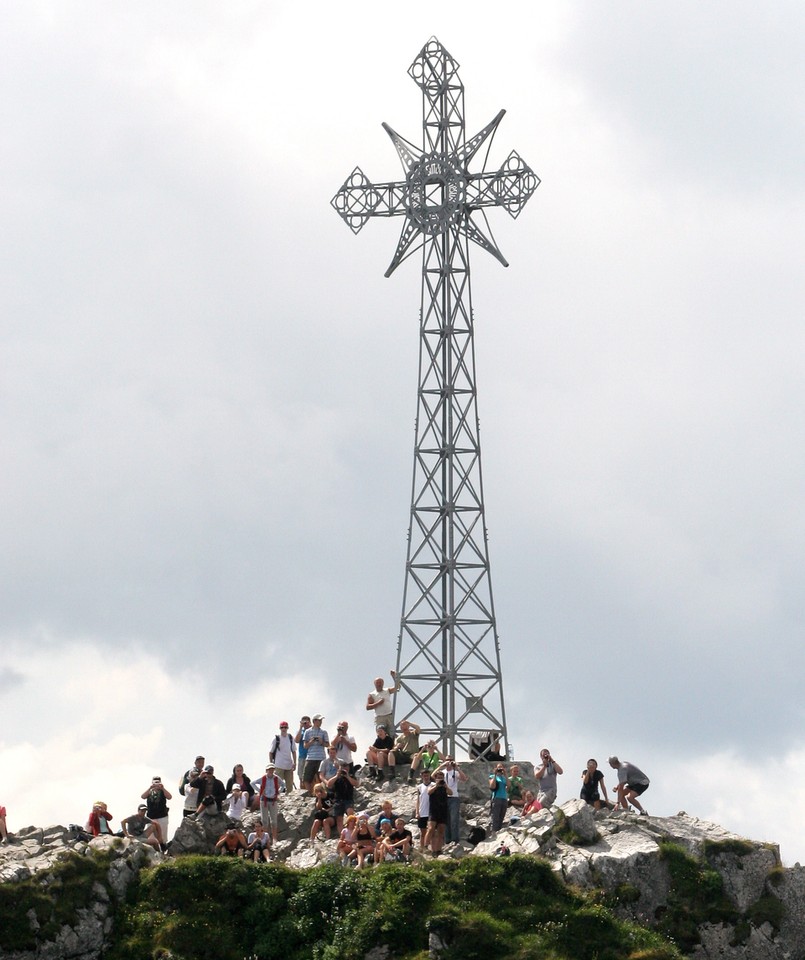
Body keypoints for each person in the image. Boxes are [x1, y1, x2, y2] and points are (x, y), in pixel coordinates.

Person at [439, 756, 468, 843]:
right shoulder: (442, 773)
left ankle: (455, 839)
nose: (449, 762)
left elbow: (464, 779)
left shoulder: (455, 772)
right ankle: (447, 839)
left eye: (451, 760)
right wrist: (441, 766)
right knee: (446, 819)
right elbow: (433, 776)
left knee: (454, 819)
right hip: (444, 798)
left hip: (454, 797)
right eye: (447, 760)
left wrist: (457, 768)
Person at [325, 761, 358, 834]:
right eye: (343, 767)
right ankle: (342, 836)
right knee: (339, 820)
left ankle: (352, 832)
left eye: (346, 767)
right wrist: (337, 775)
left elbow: (356, 784)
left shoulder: (351, 776)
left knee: (351, 814)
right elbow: (328, 785)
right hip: (338, 800)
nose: (345, 769)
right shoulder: (337, 777)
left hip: (348, 799)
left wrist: (347, 776)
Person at [252, 763, 282, 842]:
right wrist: (260, 791)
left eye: (272, 769)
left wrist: (278, 792)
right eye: (269, 769)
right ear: (266, 770)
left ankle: (274, 839)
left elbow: (283, 784)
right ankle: (266, 839)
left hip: (273, 800)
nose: (271, 771)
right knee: (264, 821)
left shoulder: (276, 778)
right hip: (264, 800)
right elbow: (252, 783)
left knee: (274, 820)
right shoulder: (262, 778)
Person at [424, 769, 451, 855]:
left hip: (443, 810)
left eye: (441, 778)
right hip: (433, 811)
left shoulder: (444, 786)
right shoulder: (432, 786)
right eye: (438, 778)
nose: (440, 779)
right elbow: (429, 792)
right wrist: (436, 785)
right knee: (431, 829)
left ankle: (438, 850)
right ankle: (425, 846)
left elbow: (451, 792)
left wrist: (445, 786)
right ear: (435, 778)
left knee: (441, 830)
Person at [302, 715, 330, 792]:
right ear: (314, 721)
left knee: (321, 777)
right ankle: (309, 794)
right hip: (310, 757)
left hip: (321, 758)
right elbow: (305, 746)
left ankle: (322, 794)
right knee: (306, 778)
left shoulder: (324, 732)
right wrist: (311, 741)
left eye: (321, 720)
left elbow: (328, 745)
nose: (321, 722)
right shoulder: (307, 732)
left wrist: (321, 741)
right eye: (319, 720)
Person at [141, 776, 171, 845]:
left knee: (162, 833)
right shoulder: (149, 792)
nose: (156, 784)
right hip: (151, 817)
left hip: (162, 816)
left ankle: (163, 847)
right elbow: (143, 796)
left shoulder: (162, 791)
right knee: (151, 835)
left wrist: (162, 788)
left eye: (158, 782)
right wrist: (150, 788)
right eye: (155, 782)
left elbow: (169, 797)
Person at [269, 721, 297, 794]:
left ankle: (289, 802)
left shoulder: (290, 738)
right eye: (282, 727)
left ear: (287, 728)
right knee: (277, 784)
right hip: (278, 765)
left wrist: (295, 763)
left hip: (288, 765)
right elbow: (270, 752)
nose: (283, 729)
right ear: (280, 728)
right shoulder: (276, 738)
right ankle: (275, 799)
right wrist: (271, 765)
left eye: (285, 727)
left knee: (289, 785)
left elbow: (294, 751)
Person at [415, 769, 432, 850]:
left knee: (431, 831)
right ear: (421, 776)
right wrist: (417, 812)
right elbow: (418, 800)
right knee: (422, 832)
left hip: (431, 812)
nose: (426, 777)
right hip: (422, 812)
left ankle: (431, 847)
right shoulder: (419, 787)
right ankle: (422, 848)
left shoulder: (433, 785)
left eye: (427, 775)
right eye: (424, 776)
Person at [489, 764, 508, 833]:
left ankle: (499, 831)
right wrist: (495, 774)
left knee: (501, 816)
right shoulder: (492, 776)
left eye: (501, 767)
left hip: (504, 798)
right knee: (495, 817)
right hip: (496, 798)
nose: (500, 769)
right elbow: (492, 786)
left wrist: (505, 775)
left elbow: (509, 786)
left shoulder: (504, 778)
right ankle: (494, 831)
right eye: (498, 767)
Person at [295, 716, 312, 786]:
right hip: (302, 756)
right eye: (303, 722)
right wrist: (300, 727)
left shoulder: (312, 731)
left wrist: (310, 726)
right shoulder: (300, 731)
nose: (305, 724)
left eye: (306, 722)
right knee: (301, 776)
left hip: (311, 756)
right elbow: (296, 740)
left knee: (311, 776)